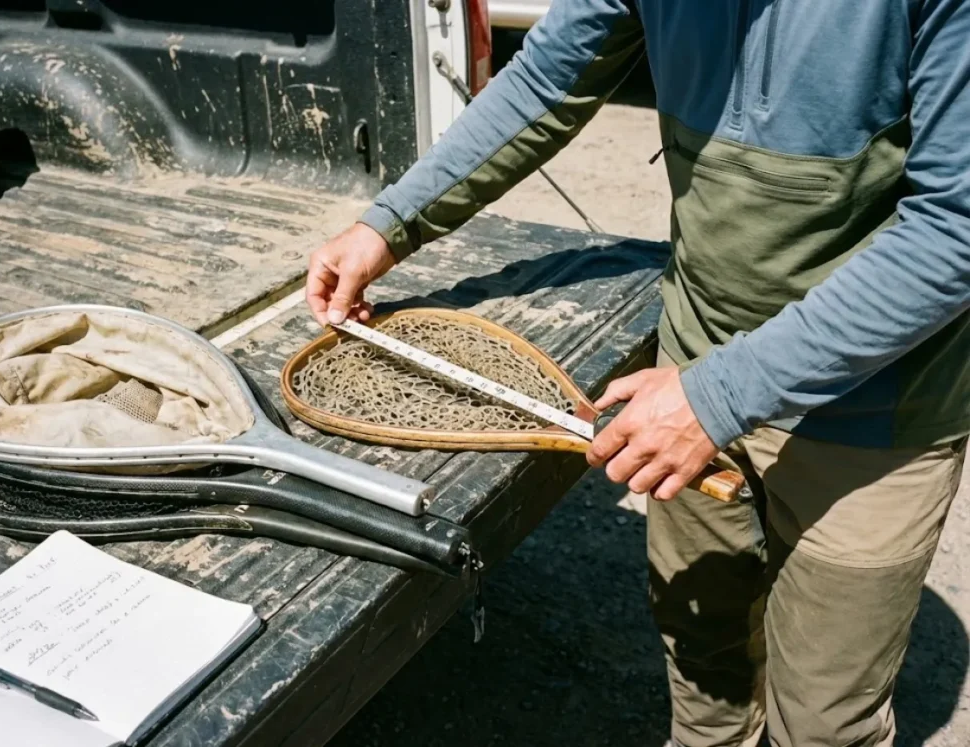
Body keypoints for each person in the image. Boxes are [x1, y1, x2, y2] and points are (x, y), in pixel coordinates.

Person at [305, 1, 970, 744]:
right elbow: (546, 80)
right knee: (704, 675)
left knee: (825, 722)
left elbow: (954, 234)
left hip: (874, 409)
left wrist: (717, 398)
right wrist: (390, 224)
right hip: (690, 363)